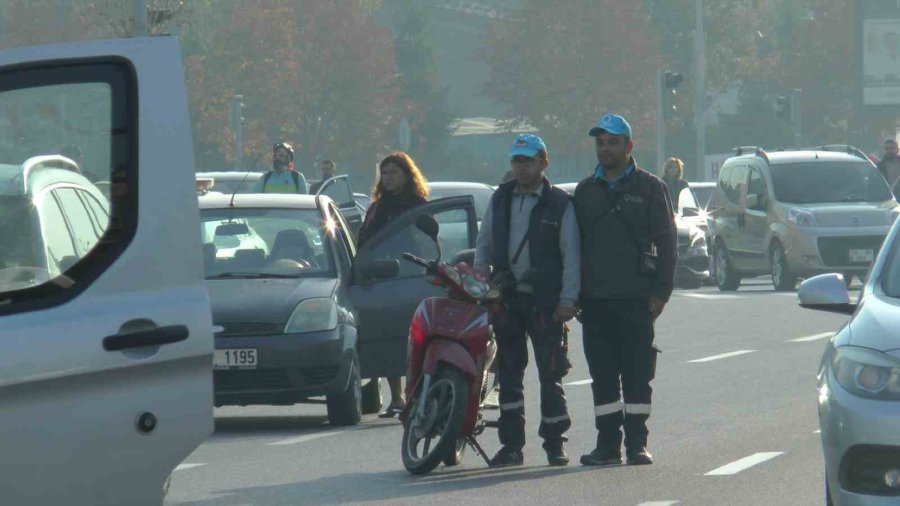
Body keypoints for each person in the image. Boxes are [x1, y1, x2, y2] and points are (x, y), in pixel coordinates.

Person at [573, 113, 677, 467]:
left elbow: (667, 244)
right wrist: (573, 295)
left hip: (636, 300)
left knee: (637, 376)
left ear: (629, 146)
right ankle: (607, 446)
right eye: (601, 143)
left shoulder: (650, 187)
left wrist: (661, 292)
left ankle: (637, 444)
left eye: (613, 142)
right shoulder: (586, 191)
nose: (605, 149)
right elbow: (572, 248)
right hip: (595, 302)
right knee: (602, 379)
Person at [474, 133, 581, 467]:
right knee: (508, 375)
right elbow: (484, 245)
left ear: (543, 163)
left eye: (527, 161)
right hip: (507, 300)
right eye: (516, 161)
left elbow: (572, 255)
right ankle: (511, 447)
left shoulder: (560, 204)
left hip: (546, 304)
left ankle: (554, 444)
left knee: (551, 375)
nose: (520, 168)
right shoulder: (501, 198)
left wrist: (568, 300)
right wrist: (481, 286)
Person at [357, 151, 430, 418]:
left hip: (413, 278)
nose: (387, 178)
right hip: (383, 279)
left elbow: (427, 242)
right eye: (384, 174)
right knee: (388, 335)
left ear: (407, 175)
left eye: (393, 173)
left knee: (415, 339)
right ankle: (397, 398)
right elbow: (365, 240)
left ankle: (416, 394)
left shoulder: (417, 205)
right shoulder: (377, 207)